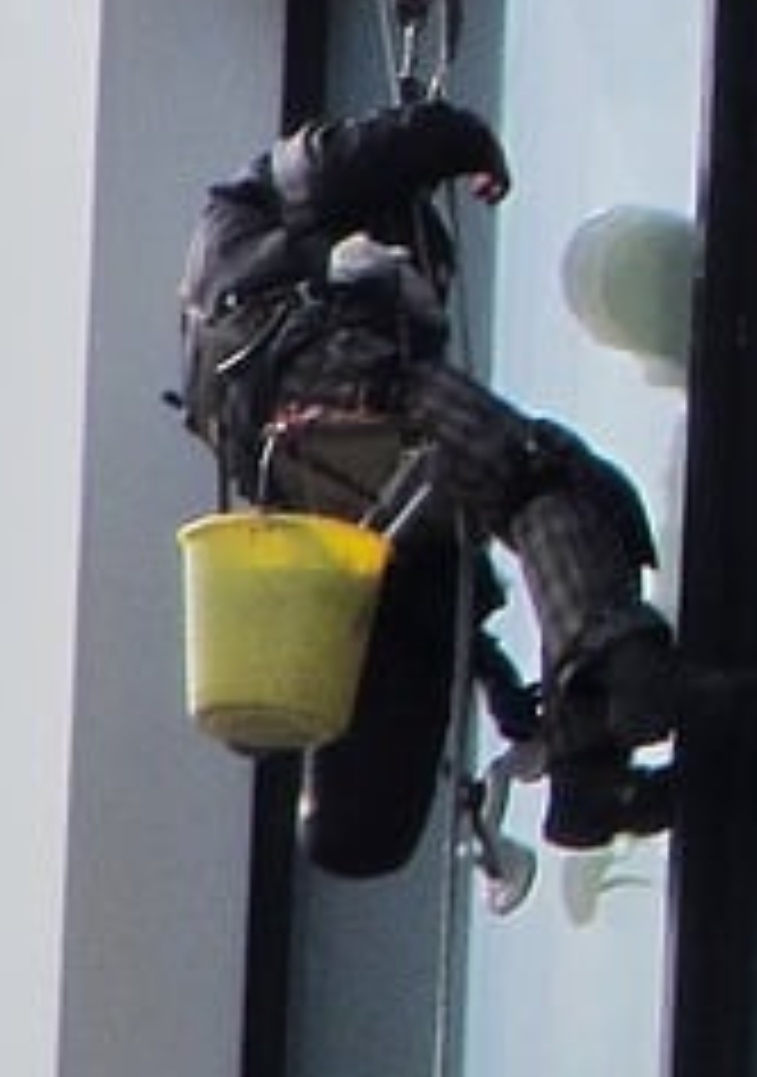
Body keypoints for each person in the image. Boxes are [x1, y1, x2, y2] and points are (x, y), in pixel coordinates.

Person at [177, 93, 702, 865]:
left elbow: (439, 594)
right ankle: (621, 666)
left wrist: (504, 694)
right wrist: (463, 139)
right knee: (529, 473)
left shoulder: (288, 293)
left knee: (537, 497)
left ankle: (589, 767)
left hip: (319, 462)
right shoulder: (252, 206)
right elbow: (338, 158)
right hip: (311, 381)